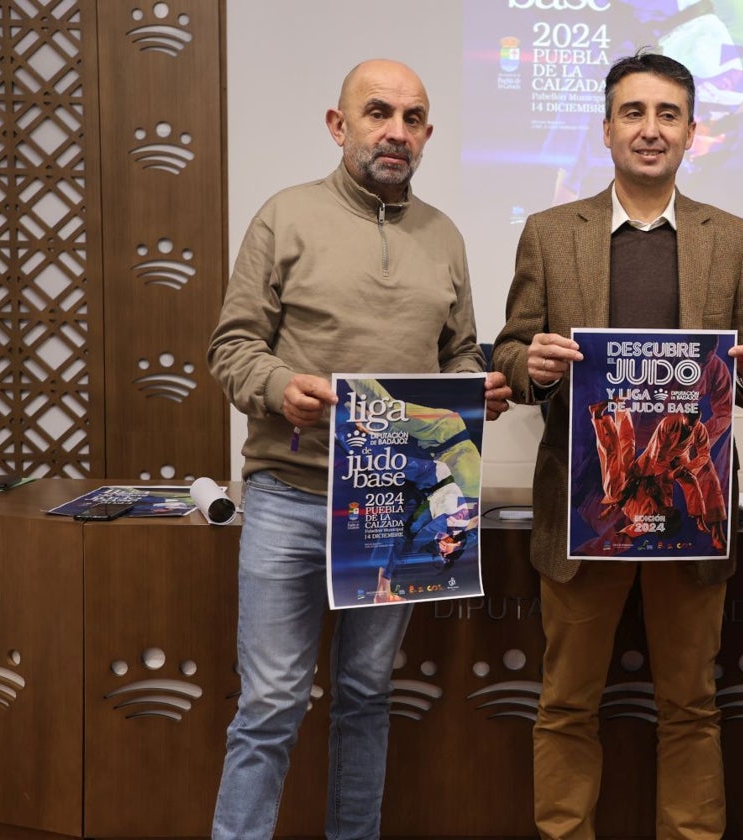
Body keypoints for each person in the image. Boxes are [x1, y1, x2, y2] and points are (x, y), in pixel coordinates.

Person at [206, 59, 511, 839]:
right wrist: (280, 389)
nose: (396, 132)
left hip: (397, 505)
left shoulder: (443, 235)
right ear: (339, 125)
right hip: (290, 496)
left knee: (367, 692)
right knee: (272, 702)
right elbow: (233, 347)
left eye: (412, 119)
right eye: (378, 113)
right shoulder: (286, 216)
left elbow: (461, 353)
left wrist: (476, 388)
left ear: (428, 135)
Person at [492, 50, 743, 840]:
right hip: (585, 511)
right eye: (633, 113)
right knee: (565, 704)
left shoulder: (733, 238)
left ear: (692, 132)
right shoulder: (552, 234)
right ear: (608, 128)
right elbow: (509, 354)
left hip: (691, 508)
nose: (650, 130)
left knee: (691, 705)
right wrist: (533, 365)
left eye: (667, 115)